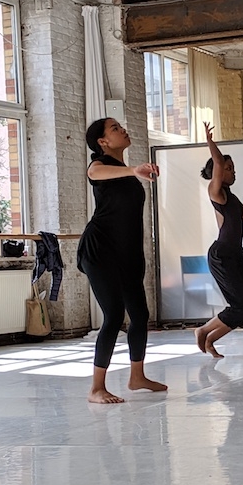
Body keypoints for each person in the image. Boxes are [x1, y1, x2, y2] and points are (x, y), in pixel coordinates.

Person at [77, 117, 168, 404]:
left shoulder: (126, 173)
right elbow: (95, 174)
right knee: (114, 315)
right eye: (115, 128)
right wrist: (134, 169)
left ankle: (137, 375)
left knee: (140, 315)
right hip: (99, 249)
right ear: (103, 142)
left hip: (127, 251)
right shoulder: (99, 165)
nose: (123, 130)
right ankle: (96, 388)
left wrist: (133, 171)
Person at [195, 122, 243, 358]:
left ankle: (207, 334)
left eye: (233, 168)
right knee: (239, 306)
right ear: (218, 173)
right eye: (229, 168)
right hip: (221, 255)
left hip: (235, 255)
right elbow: (218, 163)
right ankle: (204, 334)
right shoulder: (217, 193)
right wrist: (209, 140)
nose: (233, 171)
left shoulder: (231, 198)